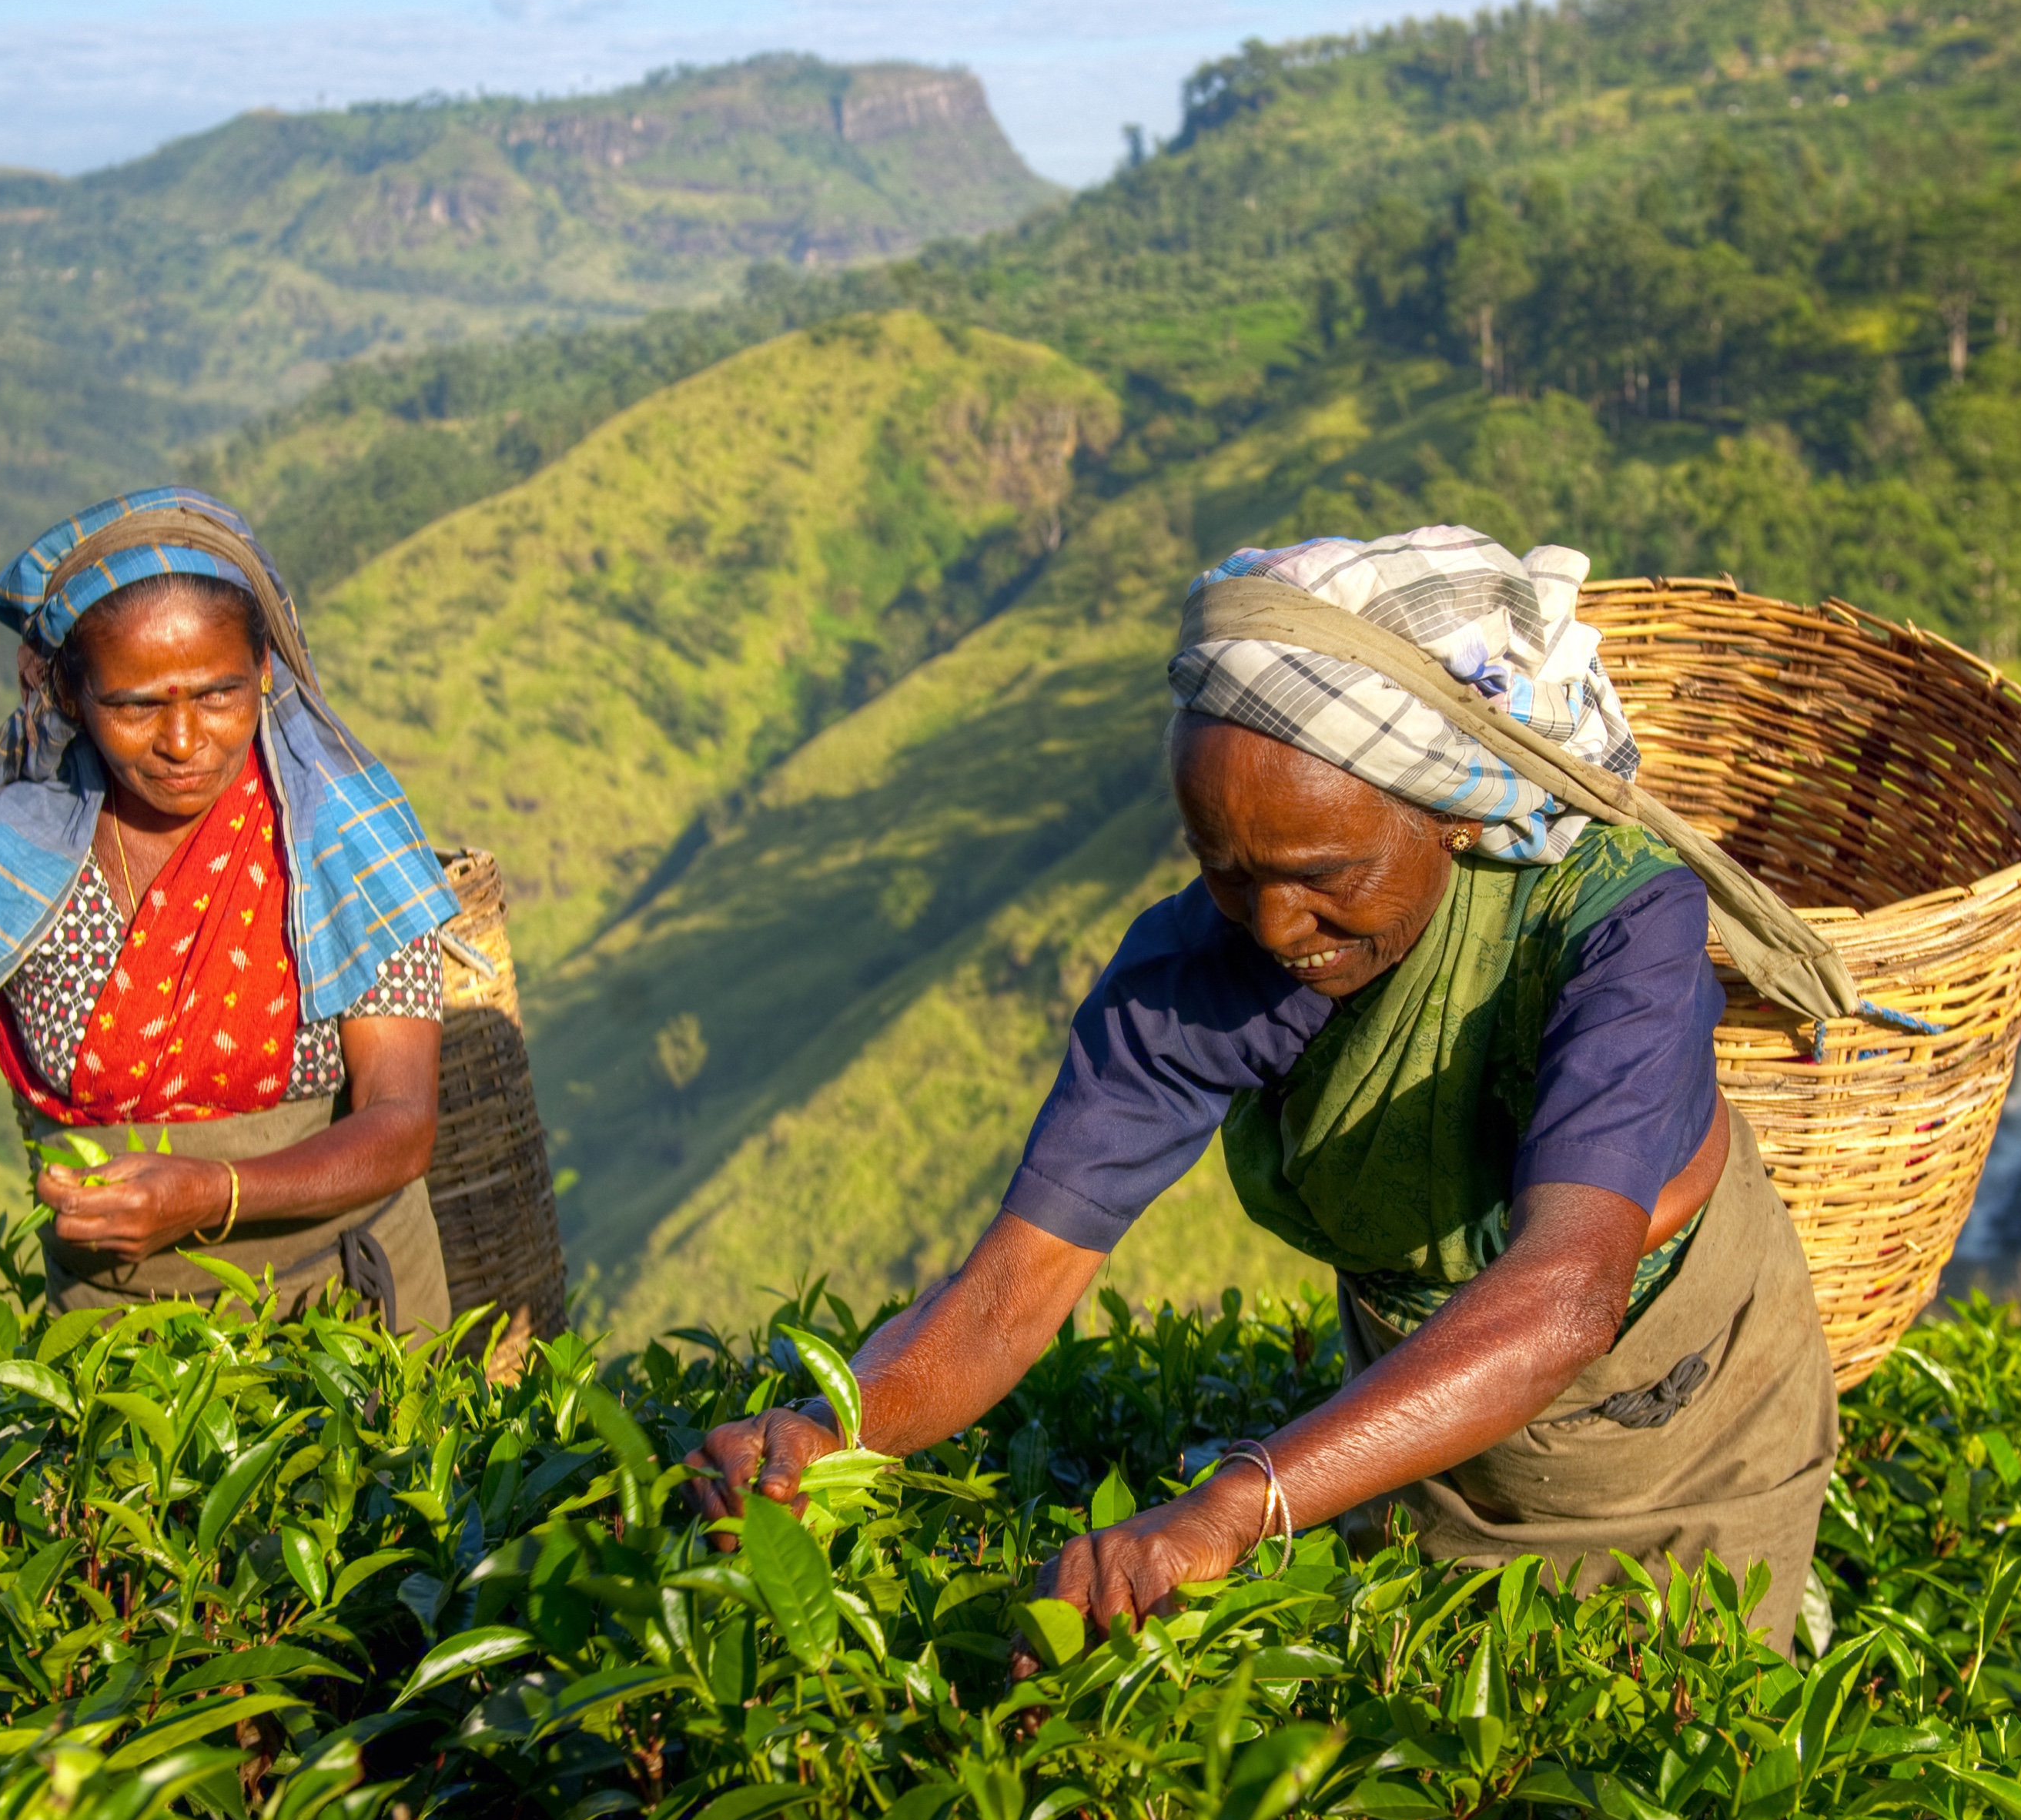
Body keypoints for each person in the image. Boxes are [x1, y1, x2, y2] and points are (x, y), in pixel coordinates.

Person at [689, 525, 1842, 1652]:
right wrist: (828, 1427)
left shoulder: (1617, 924)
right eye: (1225, 871)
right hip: (1426, 1409)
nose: (1279, 926)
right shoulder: (1199, 969)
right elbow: (1010, 1293)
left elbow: (1563, 1296)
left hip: (1687, 1410)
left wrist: (1233, 1505)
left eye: (1324, 876)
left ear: (1448, 806)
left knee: (1692, 1703)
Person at [0, 488, 465, 1350]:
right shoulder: (15, 853)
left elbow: (401, 1127)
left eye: (218, 695)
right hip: (113, 1349)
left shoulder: (341, 834)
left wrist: (212, 1192)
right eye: (136, 706)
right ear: (67, 692)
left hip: (354, 1315)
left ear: (264, 670)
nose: (184, 741)